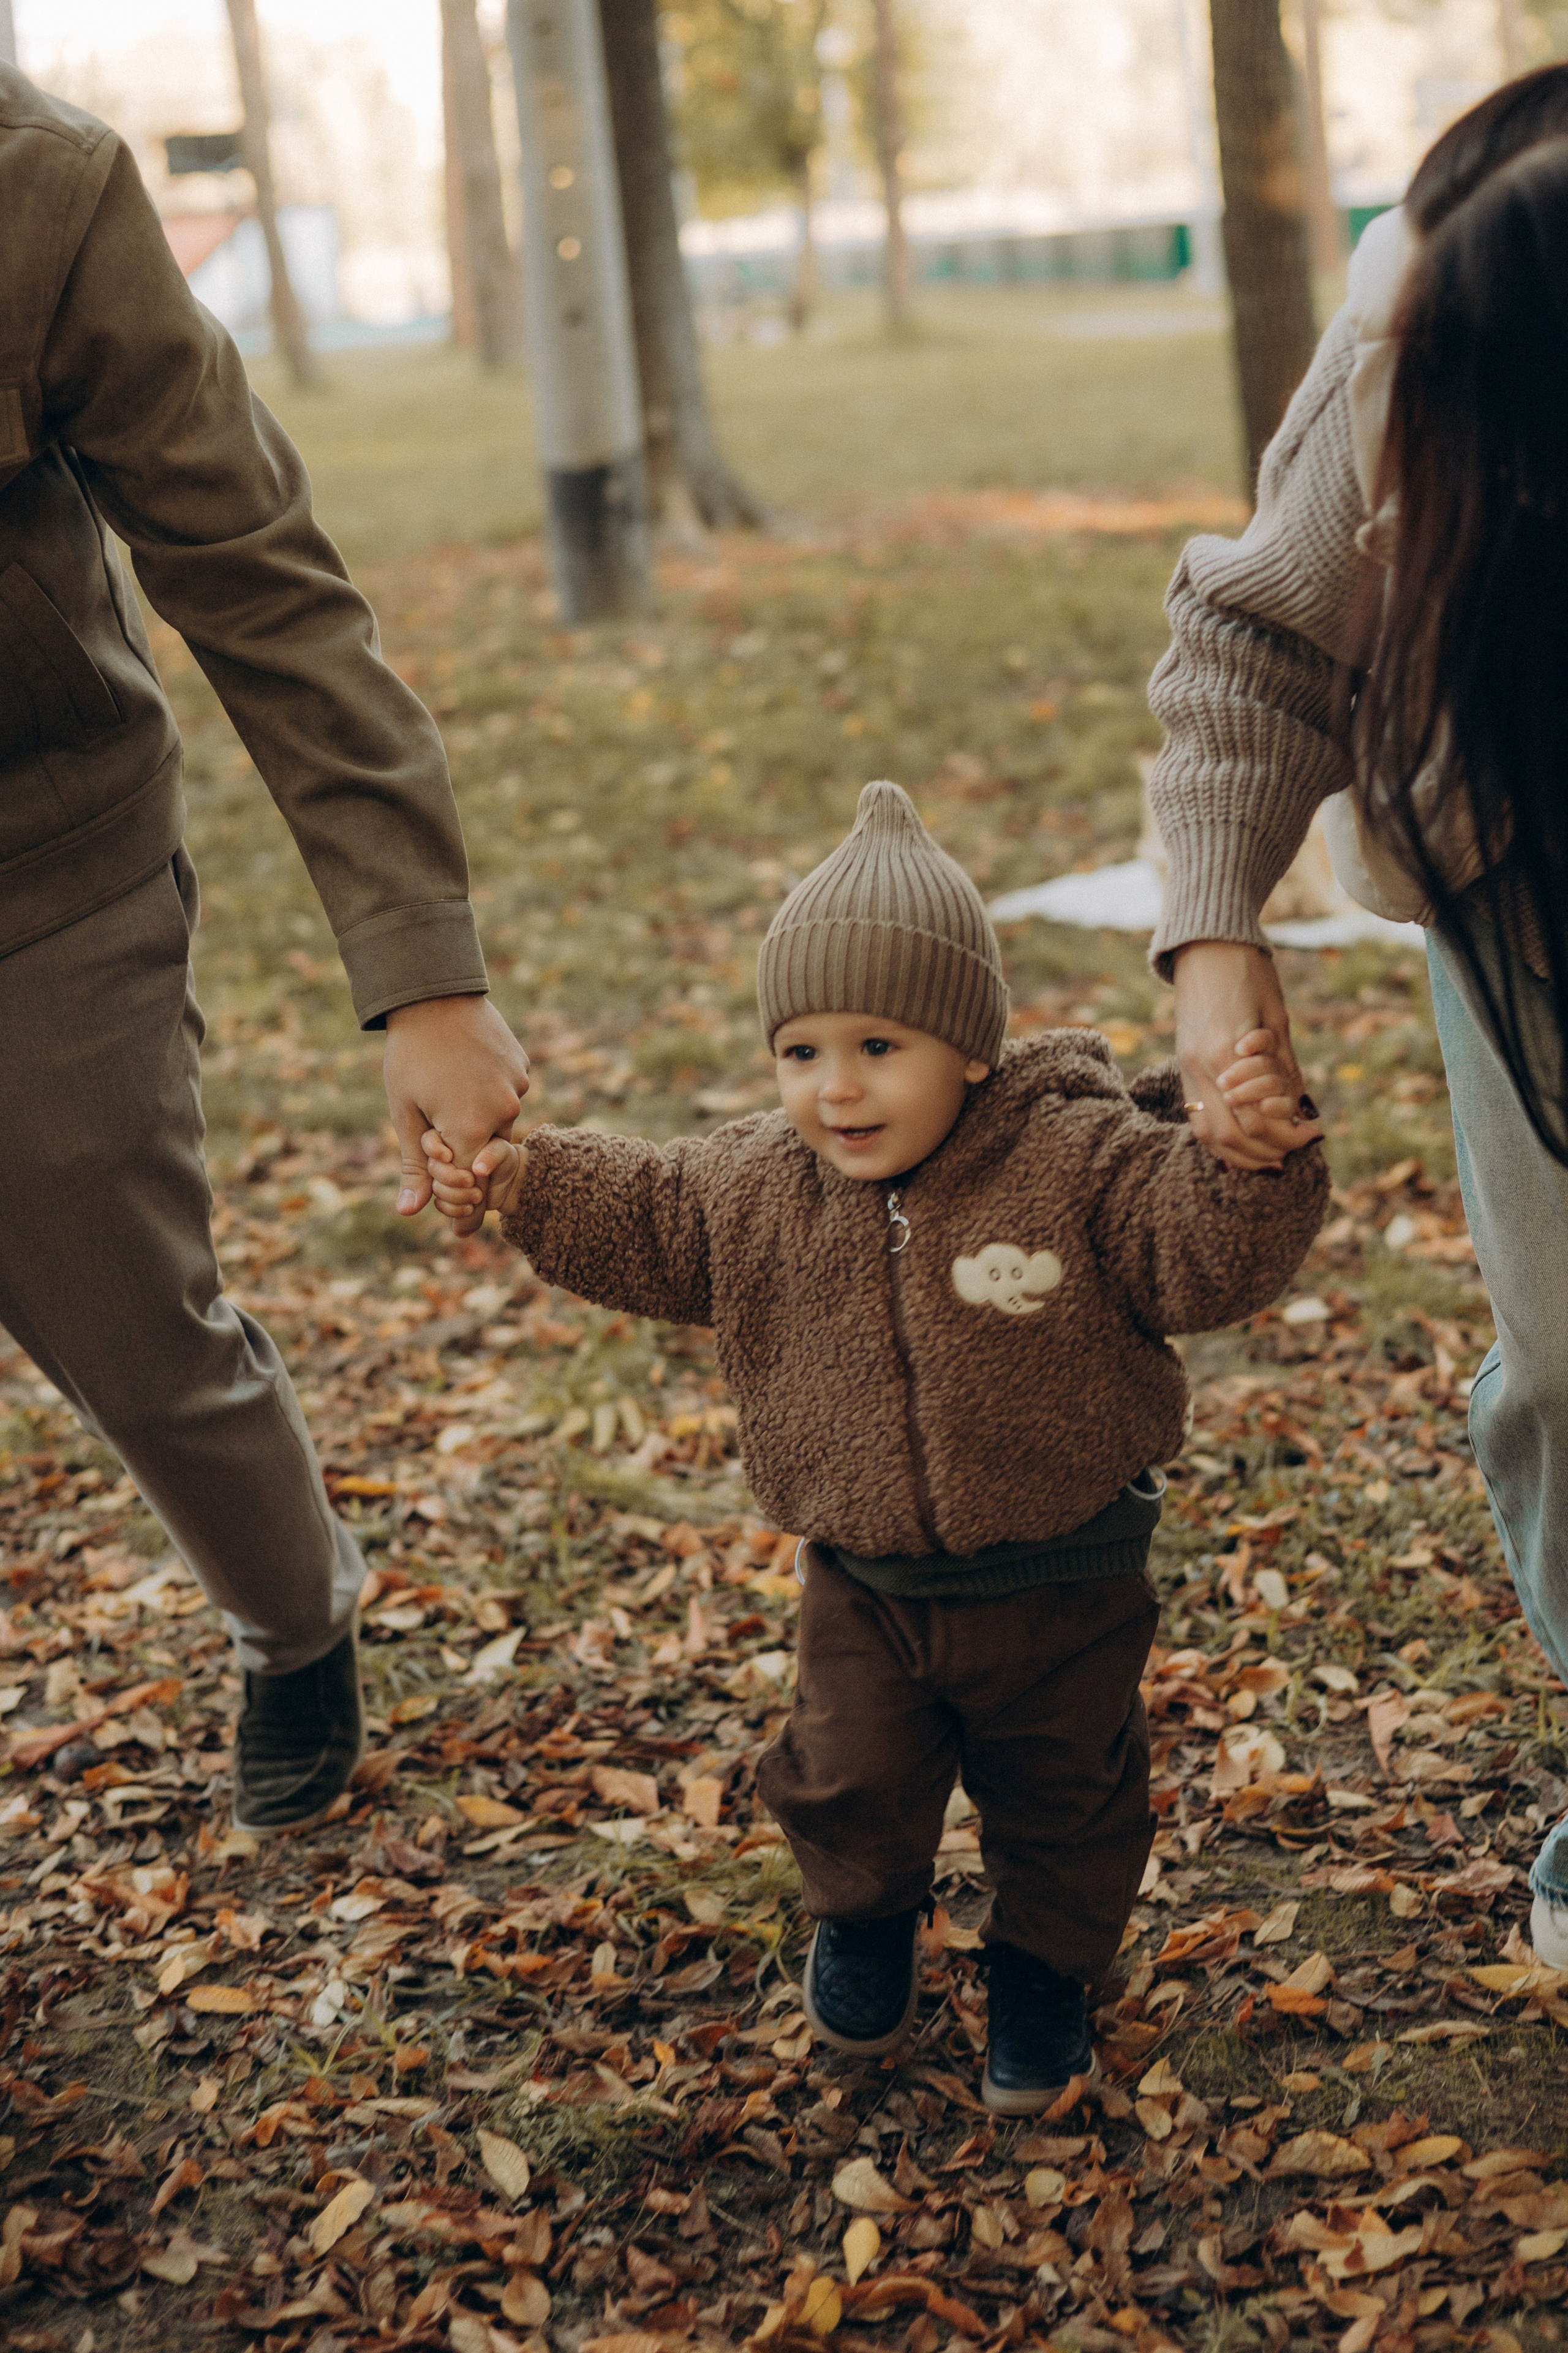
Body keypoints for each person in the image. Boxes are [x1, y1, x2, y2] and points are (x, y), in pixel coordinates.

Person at [425, 781, 1327, 2107]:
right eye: (798, 1051)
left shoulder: (1075, 1164)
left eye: (875, 1047)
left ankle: (1041, 1969)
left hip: (1064, 1580)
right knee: (845, 1771)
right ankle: (861, 1915)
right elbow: (647, 1208)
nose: (833, 1087)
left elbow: (1192, 1250)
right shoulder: (757, 1187)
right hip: (866, 1584)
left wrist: (1250, 1163)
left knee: (1067, 1800)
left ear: (967, 1047)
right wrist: (519, 1180)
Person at [0, 68, 529, 1834]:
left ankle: (292, 1611)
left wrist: (426, 973)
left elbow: (257, 573)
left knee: (137, 1333)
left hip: (39, 882)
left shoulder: (44, 189)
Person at [1145, 67, 1568, 1965]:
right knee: (1566, 1362)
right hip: (1517, 902)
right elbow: (1257, 638)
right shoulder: (1433, 307)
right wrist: (1210, 935)